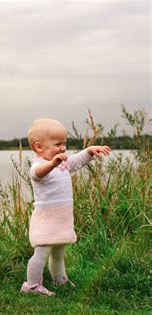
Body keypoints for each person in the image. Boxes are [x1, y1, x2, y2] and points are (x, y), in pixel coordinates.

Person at [20, 118, 111, 296]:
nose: (63, 148)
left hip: (61, 217)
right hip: (46, 218)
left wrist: (89, 151)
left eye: (65, 143)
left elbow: (76, 161)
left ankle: (59, 279)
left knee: (59, 253)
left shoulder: (62, 163)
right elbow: (38, 174)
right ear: (39, 147)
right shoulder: (39, 165)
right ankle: (31, 286)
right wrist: (53, 163)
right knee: (42, 253)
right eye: (57, 144)